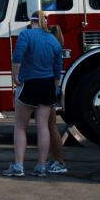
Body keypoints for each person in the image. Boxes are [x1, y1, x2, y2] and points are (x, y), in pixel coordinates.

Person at [3, 10, 64, 177]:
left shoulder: (26, 34)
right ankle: (41, 166)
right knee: (43, 126)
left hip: (29, 83)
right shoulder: (54, 40)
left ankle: (18, 166)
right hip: (47, 85)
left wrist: (14, 75)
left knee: (20, 127)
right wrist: (55, 87)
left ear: (32, 21)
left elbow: (18, 54)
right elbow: (58, 67)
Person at [36, 12, 68, 174]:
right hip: (52, 90)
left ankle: (60, 162)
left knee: (52, 128)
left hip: (50, 91)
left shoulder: (52, 49)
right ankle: (54, 160)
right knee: (49, 126)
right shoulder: (56, 48)